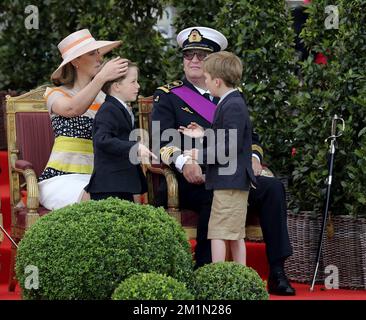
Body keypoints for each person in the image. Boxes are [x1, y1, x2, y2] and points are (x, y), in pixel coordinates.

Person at [152, 26, 295, 295]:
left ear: (215, 65)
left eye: (201, 55)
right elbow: (161, 142)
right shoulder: (168, 96)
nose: (193, 60)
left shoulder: (230, 96)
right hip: (190, 178)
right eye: (188, 55)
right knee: (211, 195)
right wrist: (185, 163)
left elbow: (250, 137)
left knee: (273, 188)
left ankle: (277, 271)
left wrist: (253, 157)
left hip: (232, 173)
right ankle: (207, 274)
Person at [179, 51, 256, 265]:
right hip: (230, 180)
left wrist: (197, 154)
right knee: (231, 233)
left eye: (207, 78)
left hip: (229, 180)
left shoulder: (231, 104)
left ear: (217, 80)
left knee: (219, 233)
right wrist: (203, 133)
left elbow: (229, 147)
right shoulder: (231, 101)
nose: (205, 82)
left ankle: (220, 277)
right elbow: (229, 138)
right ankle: (237, 277)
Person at [38, 29, 128, 210]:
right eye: (92, 53)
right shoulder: (56, 94)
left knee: (120, 199)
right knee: (100, 199)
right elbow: (73, 109)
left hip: (100, 176)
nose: (99, 58)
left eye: (99, 53)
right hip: (61, 178)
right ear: (76, 61)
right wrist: (102, 78)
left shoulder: (108, 101)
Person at [85, 60, 155, 201]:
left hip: (120, 184)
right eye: (133, 82)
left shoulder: (120, 108)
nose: (138, 86)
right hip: (109, 186)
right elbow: (102, 140)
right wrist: (135, 147)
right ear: (117, 86)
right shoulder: (109, 109)